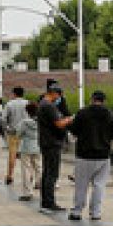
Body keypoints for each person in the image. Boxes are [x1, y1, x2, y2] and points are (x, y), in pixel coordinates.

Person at [68, 91, 113, 221]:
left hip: (84, 154)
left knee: (81, 184)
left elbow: (73, 130)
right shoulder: (111, 115)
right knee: (99, 185)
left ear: (92, 99)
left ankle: (77, 211)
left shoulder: (82, 113)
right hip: (103, 155)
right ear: (104, 100)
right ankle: (95, 212)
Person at [37, 82, 72, 213]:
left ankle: (45, 202)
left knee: (47, 172)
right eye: (59, 95)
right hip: (52, 143)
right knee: (52, 173)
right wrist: (70, 119)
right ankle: (49, 203)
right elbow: (59, 124)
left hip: (46, 142)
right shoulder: (49, 106)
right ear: (54, 93)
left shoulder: (42, 104)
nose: (59, 98)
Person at [3, 87, 29, 185]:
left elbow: (3, 119)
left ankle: (10, 175)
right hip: (26, 133)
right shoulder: (28, 103)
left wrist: (7, 128)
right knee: (26, 156)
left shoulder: (9, 104)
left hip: (13, 133)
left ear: (14, 94)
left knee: (12, 155)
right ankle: (29, 176)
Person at [17, 101, 42, 201]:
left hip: (26, 146)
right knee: (39, 167)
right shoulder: (41, 121)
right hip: (38, 145)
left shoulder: (24, 122)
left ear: (27, 111)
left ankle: (28, 192)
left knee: (26, 169)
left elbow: (18, 134)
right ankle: (41, 186)